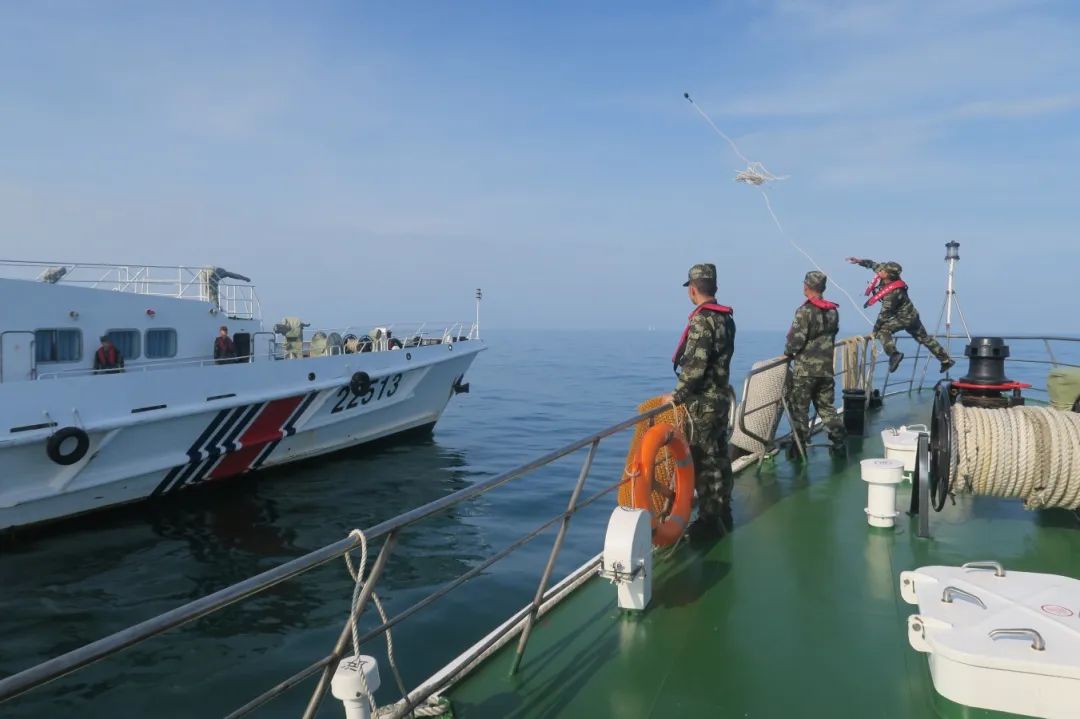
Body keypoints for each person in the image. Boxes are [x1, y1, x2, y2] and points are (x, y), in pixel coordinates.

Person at [661, 263, 736, 541]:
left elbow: (694, 367)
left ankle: (708, 521)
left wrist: (677, 395)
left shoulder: (702, 320)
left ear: (693, 290)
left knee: (703, 461)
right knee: (719, 457)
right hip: (720, 398)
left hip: (702, 404)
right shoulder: (726, 318)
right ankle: (722, 510)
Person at [846, 256, 955, 374]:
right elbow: (873, 264)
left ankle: (894, 354)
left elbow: (884, 314)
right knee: (924, 338)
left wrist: (875, 330)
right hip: (912, 314)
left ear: (887, 275)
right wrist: (859, 261)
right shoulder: (887, 274)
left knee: (883, 331)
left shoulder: (893, 293)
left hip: (904, 318)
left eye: (883, 270)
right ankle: (945, 360)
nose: (880, 270)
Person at [783, 271, 846, 459]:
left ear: (806, 286)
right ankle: (840, 441)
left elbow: (795, 341)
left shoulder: (805, 311)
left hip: (805, 372)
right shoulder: (833, 311)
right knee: (826, 408)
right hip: (826, 369)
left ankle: (798, 447)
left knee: (800, 410)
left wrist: (788, 352)